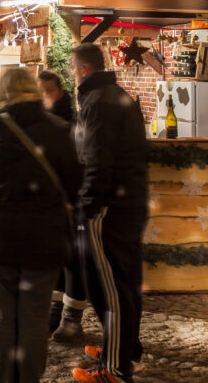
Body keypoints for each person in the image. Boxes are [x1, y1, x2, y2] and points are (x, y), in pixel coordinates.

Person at [0, 68, 82, 383]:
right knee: (34, 315)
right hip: (44, 239)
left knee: (5, 313)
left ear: (2, 93)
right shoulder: (58, 129)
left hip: (0, 237)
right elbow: (74, 183)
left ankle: (7, 377)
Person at [70, 43, 149, 383]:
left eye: (74, 71)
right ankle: (123, 350)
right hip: (128, 203)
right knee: (125, 282)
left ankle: (115, 369)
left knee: (110, 288)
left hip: (108, 208)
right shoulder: (119, 96)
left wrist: (87, 206)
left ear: (83, 70)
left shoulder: (97, 102)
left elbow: (96, 160)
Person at [38, 70, 87, 340]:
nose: (46, 96)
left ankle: (72, 319)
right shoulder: (39, 122)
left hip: (70, 202)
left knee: (74, 261)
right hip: (49, 204)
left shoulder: (71, 121)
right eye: (41, 90)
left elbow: (76, 164)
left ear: (61, 91)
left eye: (50, 90)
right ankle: (55, 312)